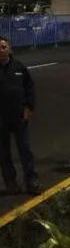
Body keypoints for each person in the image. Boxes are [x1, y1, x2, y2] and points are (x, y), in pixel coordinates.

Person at [0, 37, 39, 195]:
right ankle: (10, 182)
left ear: (9, 49)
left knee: (25, 149)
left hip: (19, 116)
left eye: (3, 47)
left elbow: (29, 87)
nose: (1, 50)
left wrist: (29, 107)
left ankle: (31, 180)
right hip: (0, 119)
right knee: (3, 153)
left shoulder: (19, 67)